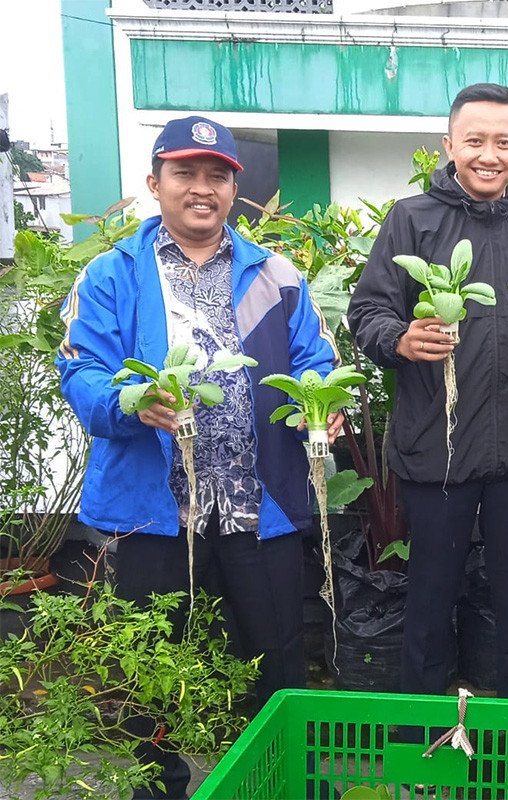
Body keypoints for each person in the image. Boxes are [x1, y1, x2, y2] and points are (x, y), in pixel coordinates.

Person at [56, 115, 342, 799]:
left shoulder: (276, 274)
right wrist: (130, 402)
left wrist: (321, 399)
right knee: (149, 665)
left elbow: (316, 357)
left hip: (257, 505)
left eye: (217, 176)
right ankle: (158, 788)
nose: (202, 188)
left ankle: (287, 782)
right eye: (185, 173)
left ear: (234, 190)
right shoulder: (112, 275)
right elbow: (81, 370)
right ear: (155, 183)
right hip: (151, 512)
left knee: (276, 658)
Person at [347, 84, 508, 762]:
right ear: (449, 146)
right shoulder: (411, 219)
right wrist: (400, 338)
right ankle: (419, 734)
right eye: (474, 140)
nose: (488, 154)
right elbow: (367, 312)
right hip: (436, 449)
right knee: (429, 598)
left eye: (503, 142)